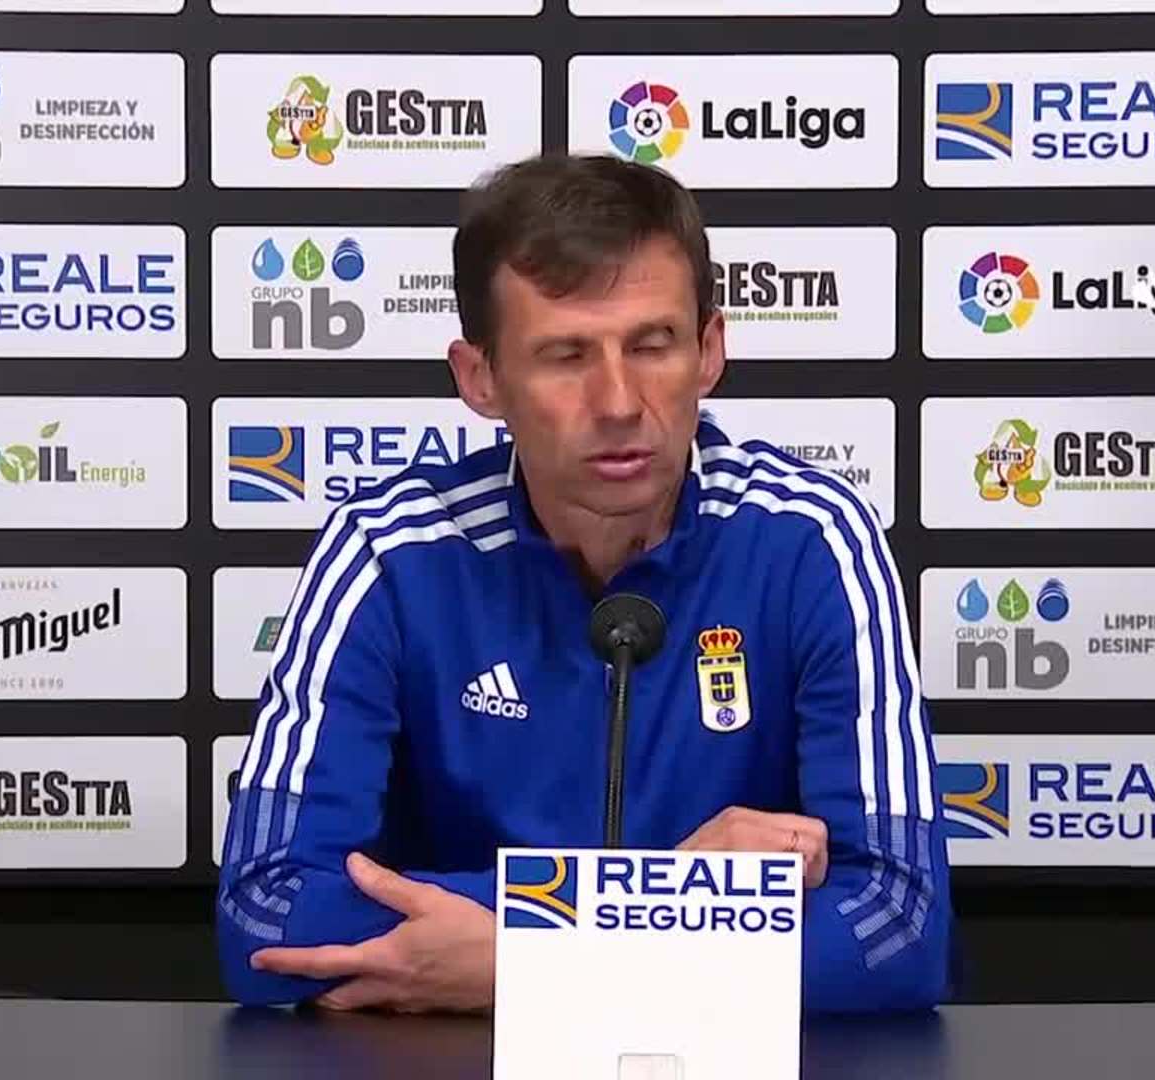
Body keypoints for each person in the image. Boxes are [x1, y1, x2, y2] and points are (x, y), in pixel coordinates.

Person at [215, 152, 949, 1014]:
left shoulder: (809, 538)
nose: (618, 401)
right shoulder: (388, 552)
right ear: (481, 379)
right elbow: (266, 913)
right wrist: (689, 905)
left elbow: (898, 928)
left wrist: (533, 960)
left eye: (652, 345)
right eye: (566, 355)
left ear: (709, 351)